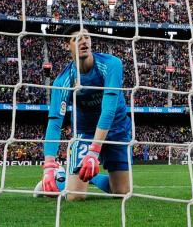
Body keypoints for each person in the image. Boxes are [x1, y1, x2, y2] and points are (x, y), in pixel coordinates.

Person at [35, 26, 130, 200]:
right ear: (67, 46)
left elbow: (108, 109)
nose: (84, 41)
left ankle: (91, 177)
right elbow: (55, 122)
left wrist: (94, 152)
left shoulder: (111, 64)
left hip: (116, 128)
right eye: (77, 39)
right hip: (85, 132)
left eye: (86, 37)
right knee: (74, 197)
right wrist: (49, 165)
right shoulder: (63, 80)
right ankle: (59, 178)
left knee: (122, 193)